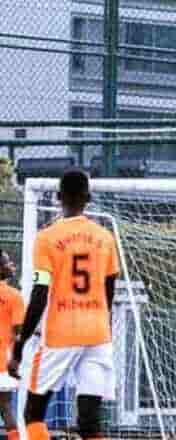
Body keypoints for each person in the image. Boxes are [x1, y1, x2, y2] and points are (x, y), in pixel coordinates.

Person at [9, 169, 119, 440]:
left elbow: (40, 292)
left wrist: (21, 346)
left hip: (61, 334)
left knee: (33, 413)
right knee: (90, 423)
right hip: (98, 334)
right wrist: (103, 327)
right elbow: (109, 289)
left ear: (58, 197)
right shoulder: (105, 237)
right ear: (88, 197)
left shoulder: (46, 238)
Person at [0, 251, 22, 440]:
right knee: (5, 405)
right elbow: (18, 331)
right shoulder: (13, 295)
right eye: (8, 263)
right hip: (2, 361)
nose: (12, 265)